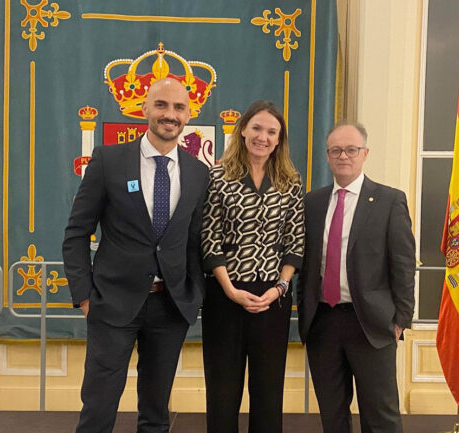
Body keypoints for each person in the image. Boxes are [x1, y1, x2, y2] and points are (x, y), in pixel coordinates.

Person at [62, 77, 209, 433]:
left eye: (178, 107)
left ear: (189, 115)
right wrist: (85, 297)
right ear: (144, 109)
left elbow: (194, 242)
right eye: (161, 105)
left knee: (156, 414)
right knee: (98, 410)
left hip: (170, 307)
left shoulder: (199, 173)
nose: (170, 114)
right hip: (111, 303)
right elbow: (77, 233)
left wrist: (193, 295)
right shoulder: (108, 161)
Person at [297, 121, 415, 433]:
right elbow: (306, 264)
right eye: (336, 150)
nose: (343, 156)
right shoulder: (312, 203)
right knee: (332, 416)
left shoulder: (389, 201)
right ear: (327, 155)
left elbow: (403, 264)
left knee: (380, 417)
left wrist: (401, 320)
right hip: (323, 324)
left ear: (365, 153)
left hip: (372, 325)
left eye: (351, 149)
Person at [201, 100, 304, 433]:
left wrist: (279, 288)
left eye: (272, 132)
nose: (263, 137)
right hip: (225, 295)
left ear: (279, 139)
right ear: (243, 130)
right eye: (257, 128)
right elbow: (209, 240)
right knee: (222, 392)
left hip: (273, 298)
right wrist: (231, 291)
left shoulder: (290, 181)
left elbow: (295, 242)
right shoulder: (217, 176)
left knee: (268, 392)